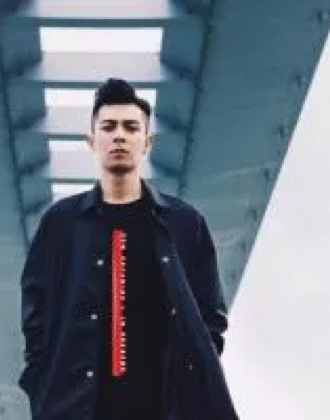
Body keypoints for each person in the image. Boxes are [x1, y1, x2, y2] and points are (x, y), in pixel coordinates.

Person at [18, 78, 239, 420]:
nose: (119, 136)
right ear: (91, 141)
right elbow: (36, 316)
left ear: (146, 142)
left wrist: (191, 382)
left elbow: (210, 316)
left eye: (131, 127)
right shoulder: (60, 224)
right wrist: (42, 382)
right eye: (108, 127)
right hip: (79, 409)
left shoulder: (185, 223)